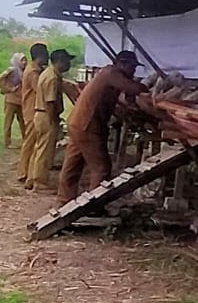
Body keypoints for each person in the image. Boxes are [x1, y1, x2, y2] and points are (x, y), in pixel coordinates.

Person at [57, 51, 150, 203]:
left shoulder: (108, 74)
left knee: (73, 164)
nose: (133, 71)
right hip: (88, 125)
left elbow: (123, 97)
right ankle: (94, 205)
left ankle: (64, 200)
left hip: (78, 122)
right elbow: (133, 88)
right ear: (122, 64)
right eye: (132, 67)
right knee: (101, 167)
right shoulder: (111, 72)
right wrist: (145, 88)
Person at [25, 49, 73, 191]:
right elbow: (50, 101)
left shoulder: (49, 74)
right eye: (67, 61)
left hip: (41, 114)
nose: (69, 64)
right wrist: (53, 120)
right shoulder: (51, 77)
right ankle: (39, 182)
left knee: (39, 149)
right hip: (46, 115)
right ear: (60, 61)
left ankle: (31, 178)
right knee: (45, 151)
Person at [14, 43, 49, 186]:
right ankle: (24, 173)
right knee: (30, 143)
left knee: (30, 143)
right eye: (46, 54)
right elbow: (40, 89)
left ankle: (25, 173)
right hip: (32, 110)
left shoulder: (34, 70)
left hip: (30, 110)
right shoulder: (34, 72)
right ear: (40, 56)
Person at [0, 52, 26, 148]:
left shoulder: (25, 72)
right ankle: (7, 142)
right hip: (11, 101)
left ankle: (26, 141)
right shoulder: (11, 70)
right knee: (8, 122)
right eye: (22, 60)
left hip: (21, 101)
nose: (24, 62)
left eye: (25, 60)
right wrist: (8, 89)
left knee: (23, 122)